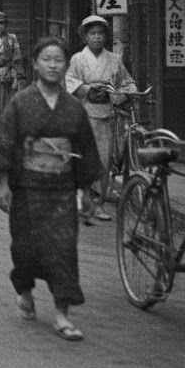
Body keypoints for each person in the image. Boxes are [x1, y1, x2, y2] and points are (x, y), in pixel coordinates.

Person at [0, 37, 102, 342]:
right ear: (34, 64)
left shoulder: (74, 108)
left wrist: (86, 191)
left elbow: (85, 150)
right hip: (27, 189)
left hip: (61, 192)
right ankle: (24, 289)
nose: (52, 65)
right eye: (46, 59)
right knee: (24, 250)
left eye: (58, 60)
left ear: (66, 65)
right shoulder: (21, 102)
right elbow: (5, 143)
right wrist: (5, 185)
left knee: (64, 250)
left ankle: (62, 315)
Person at [65, 15, 137, 224]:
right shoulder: (78, 59)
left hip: (106, 115)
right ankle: (81, 201)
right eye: (92, 34)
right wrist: (87, 89)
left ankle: (97, 204)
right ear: (85, 37)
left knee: (104, 161)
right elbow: (69, 82)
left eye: (101, 33)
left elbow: (127, 82)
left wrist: (121, 93)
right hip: (84, 114)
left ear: (106, 36)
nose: (97, 38)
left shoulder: (114, 60)